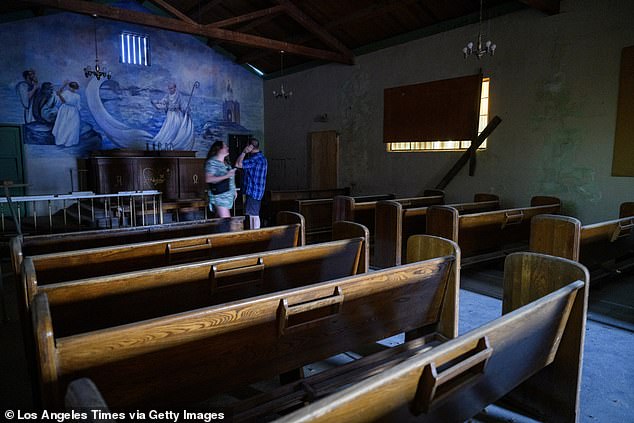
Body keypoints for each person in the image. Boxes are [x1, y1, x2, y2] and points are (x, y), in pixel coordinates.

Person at [235, 138, 268, 229]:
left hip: (252, 191)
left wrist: (244, 152)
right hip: (257, 191)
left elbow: (238, 164)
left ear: (250, 147)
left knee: (252, 216)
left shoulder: (255, 159)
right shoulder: (262, 158)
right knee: (254, 214)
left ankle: (255, 235)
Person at [151, 82, 194, 150]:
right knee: (168, 129)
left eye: (172, 88)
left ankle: (174, 143)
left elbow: (183, 104)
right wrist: (156, 102)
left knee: (176, 128)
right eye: (169, 88)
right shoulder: (167, 96)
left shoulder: (179, 96)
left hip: (177, 115)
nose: (170, 90)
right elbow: (163, 102)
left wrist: (186, 108)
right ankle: (167, 143)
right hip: (170, 115)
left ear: (175, 88)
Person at [205, 140, 236, 218]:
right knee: (226, 222)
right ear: (219, 149)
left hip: (227, 198)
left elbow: (231, 179)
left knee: (219, 221)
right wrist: (226, 176)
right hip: (219, 197)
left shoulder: (226, 163)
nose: (227, 148)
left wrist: (234, 190)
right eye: (225, 146)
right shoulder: (212, 162)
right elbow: (208, 179)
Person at [52, 81, 82, 147]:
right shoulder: (66, 93)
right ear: (70, 87)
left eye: (75, 88)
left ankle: (70, 141)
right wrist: (60, 94)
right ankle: (60, 141)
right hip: (65, 110)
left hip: (73, 111)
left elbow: (78, 105)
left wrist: (78, 112)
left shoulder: (77, 96)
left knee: (72, 126)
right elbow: (63, 101)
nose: (73, 89)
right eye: (72, 87)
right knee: (63, 125)